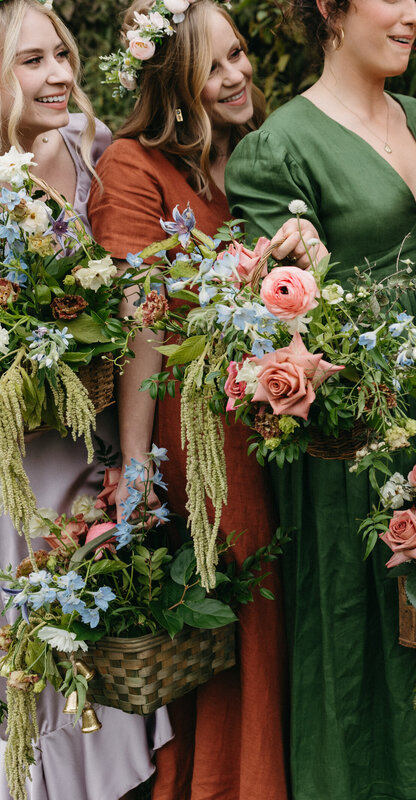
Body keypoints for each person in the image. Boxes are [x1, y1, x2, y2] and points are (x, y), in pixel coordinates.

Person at [224, 0, 416, 797]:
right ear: (331, 8)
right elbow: (274, 316)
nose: (413, 15)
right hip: (350, 426)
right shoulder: (277, 148)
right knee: (355, 607)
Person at [87, 2, 308, 798]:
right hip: (193, 430)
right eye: (214, 66)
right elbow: (141, 320)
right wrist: (138, 462)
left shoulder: (253, 159)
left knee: (269, 613)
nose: (239, 74)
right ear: (175, 82)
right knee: (219, 619)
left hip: (269, 417)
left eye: (240, 54)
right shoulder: (133, 166)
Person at [0, 2, 171, 797]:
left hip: (89, 449)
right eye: (33, 60)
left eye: (62, 53)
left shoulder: (94, 151)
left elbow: (139, 299)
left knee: (97, 627)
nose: (60, 73)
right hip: (14, 462)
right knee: (28, 642)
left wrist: (131, 452)